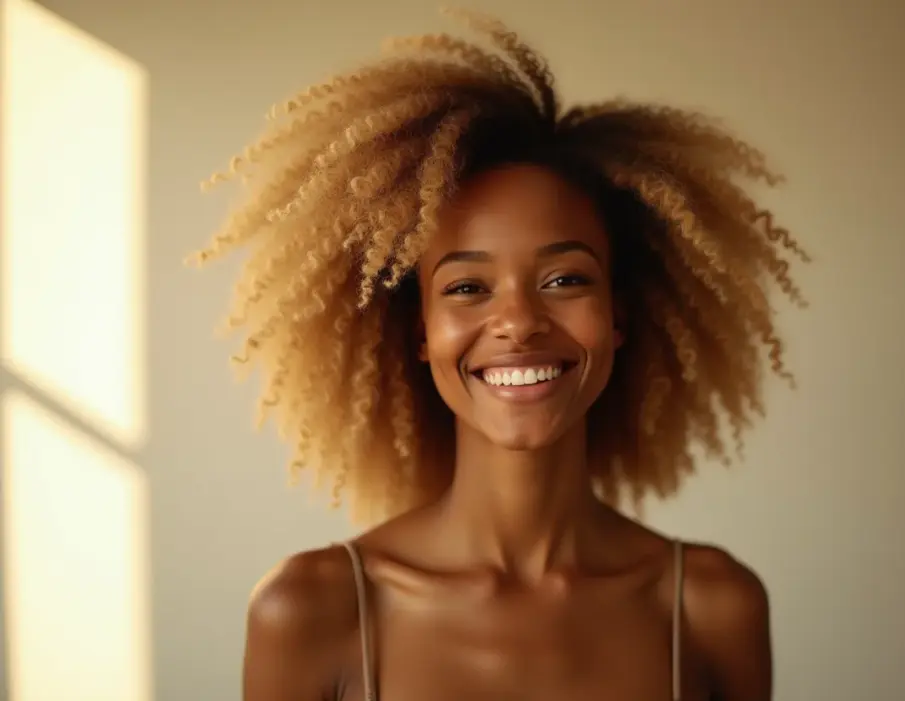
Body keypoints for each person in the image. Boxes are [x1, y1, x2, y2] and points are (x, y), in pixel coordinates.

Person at [192, 8, 808, 701]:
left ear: (620, 316)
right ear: (421, 332)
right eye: (467, 286)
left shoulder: (712, 605)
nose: (517, 320)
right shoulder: (312, 609)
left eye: (564, 279)